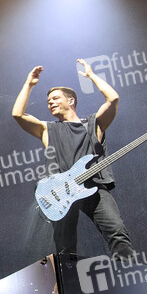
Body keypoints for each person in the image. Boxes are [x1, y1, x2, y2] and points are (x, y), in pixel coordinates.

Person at [12, 60, 133, 258]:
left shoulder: (93, 124)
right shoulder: (47, 129)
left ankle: (127, 271)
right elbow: (18, 114)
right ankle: (68, 277)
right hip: (61, 191)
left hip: (94, 186)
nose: (50, 103)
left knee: (117, 232)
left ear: (71, 101)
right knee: (65, 248)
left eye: (55, 98)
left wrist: (91, 76)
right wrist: (29, 84)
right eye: (48, 101)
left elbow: (113, 99)